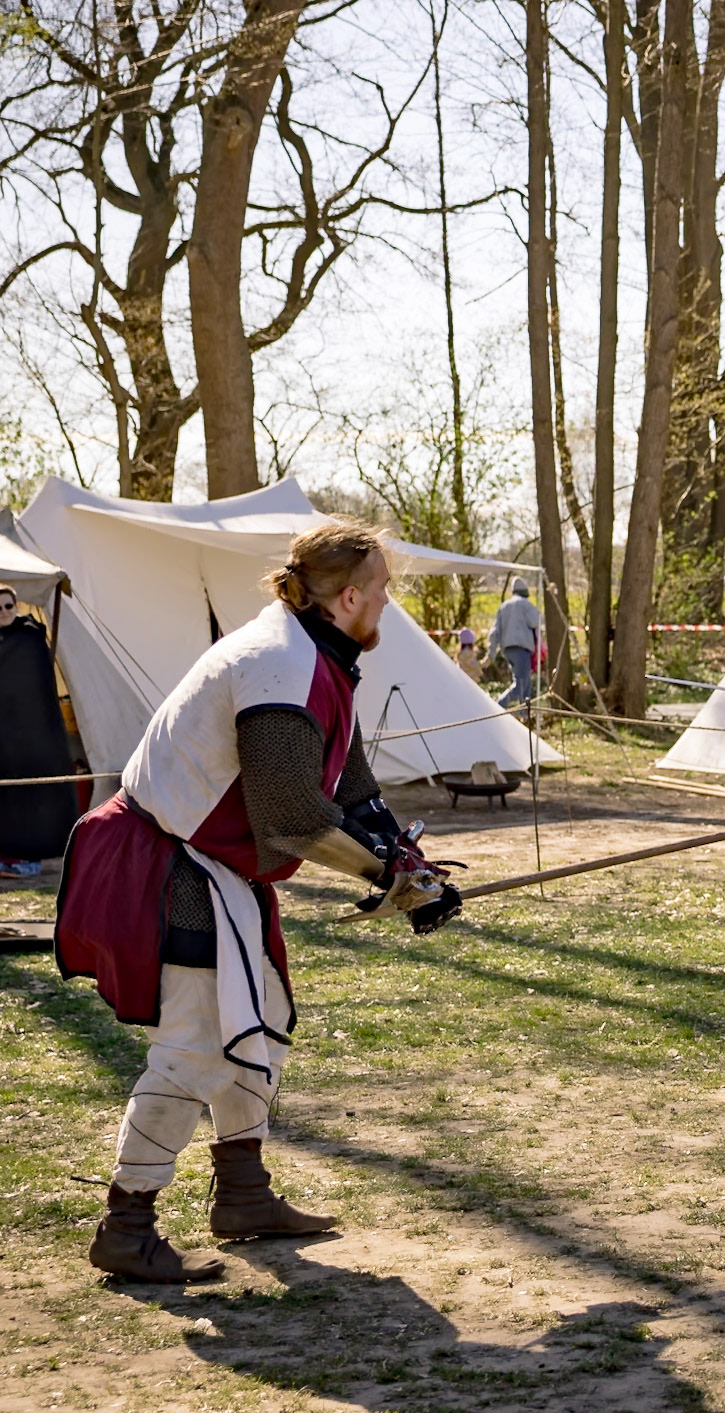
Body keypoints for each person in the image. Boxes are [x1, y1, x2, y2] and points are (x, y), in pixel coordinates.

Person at [55, 521, 464, 1284]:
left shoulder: (319, 655)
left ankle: (243, 1193)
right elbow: (292, 814)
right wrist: (385, 880)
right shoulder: (278, 662)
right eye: (381, 590)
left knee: (260, 1026)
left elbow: (350, 789)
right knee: (194, 1047)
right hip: (170, 865)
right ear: (348, 597)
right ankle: (126, 1221)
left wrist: (415, 870)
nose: (386, 601)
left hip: (216, 869)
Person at [0, 584, 77, 877]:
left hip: (34, 732)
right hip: (5, 735)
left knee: (36, 793)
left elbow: (38, 684)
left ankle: (37, 854)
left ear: (16, 606)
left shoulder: (31, 637)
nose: (5, 612)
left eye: (9, 606)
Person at [488, 578, 540, 708]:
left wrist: (492, 652)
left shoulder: (503, 607)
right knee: (521, 685)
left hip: (508, 650)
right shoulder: (525, 605)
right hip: (522, 648)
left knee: (525, 685)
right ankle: (497, 706)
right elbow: (536, 621)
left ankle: (525, 715)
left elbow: (495, 632)